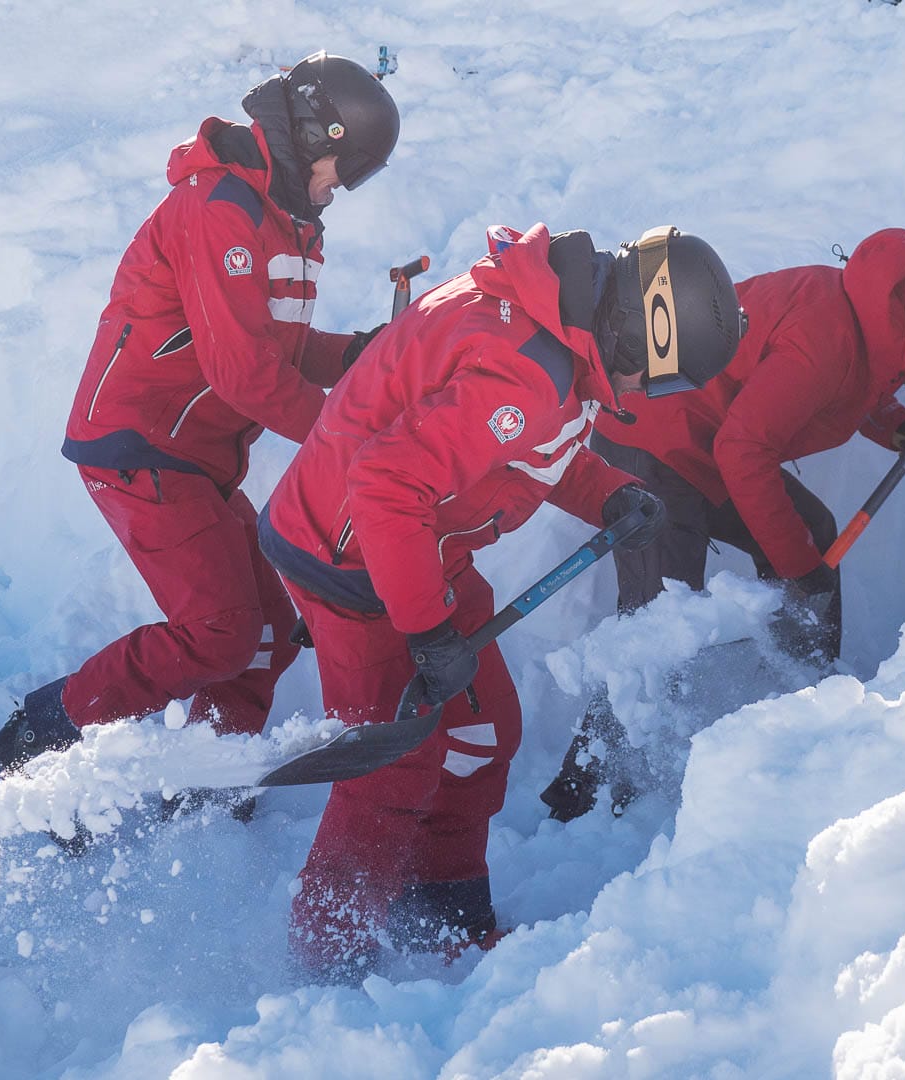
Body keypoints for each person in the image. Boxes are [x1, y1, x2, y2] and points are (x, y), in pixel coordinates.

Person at [257, 222, 744, 974]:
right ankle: (327, 956)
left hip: (423, 550)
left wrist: (608, 492)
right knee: (392, 764)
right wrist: (428, 633)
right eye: (661, 375)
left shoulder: (559, 330)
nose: (648, 393)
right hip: (350, 561)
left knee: (482, 732)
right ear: (638, 330)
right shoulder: (528, 371)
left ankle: (439, 918)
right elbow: (386, 484)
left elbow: (530, 449)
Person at [0, 53, 400, 776]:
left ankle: (209, 772)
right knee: (221, 629)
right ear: (314, 136)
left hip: (195, 455)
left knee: (266, 633)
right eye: (344, 167)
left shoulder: (284, 218)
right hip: (140, 444)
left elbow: (277, 346)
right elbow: (244, 374)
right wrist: (348, 439)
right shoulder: (220, 210)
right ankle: (40, 733)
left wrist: (362, 355)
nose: (340, 187)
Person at [537, 229, 905, 822]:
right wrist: (798, 569)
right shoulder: (829, 336)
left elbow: (851, 384)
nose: (904, 381)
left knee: (814, 533)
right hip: (649, 438)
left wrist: (895, 425)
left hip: (703, 440)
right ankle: (583, 788)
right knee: (656, 621)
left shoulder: (871, 314)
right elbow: (749, 446)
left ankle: (805, 699)